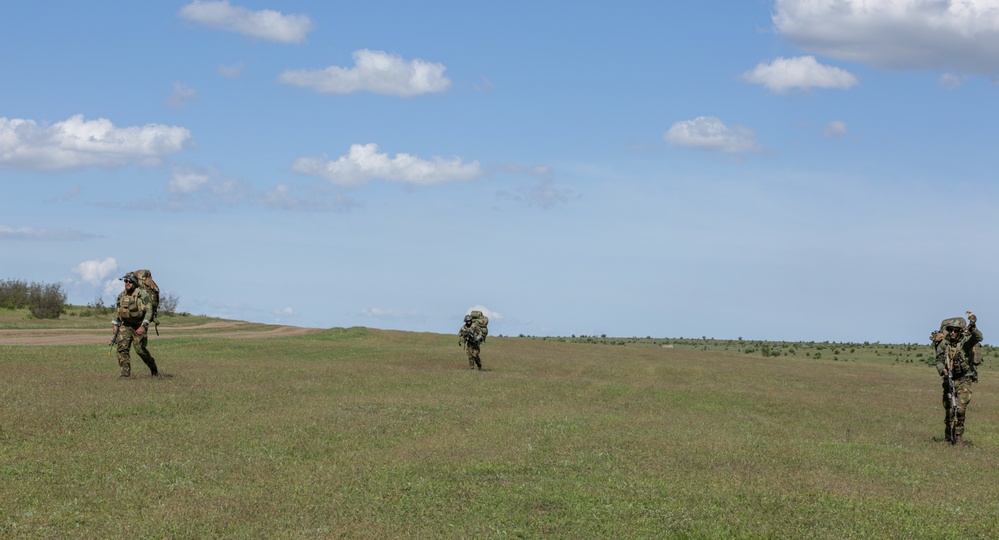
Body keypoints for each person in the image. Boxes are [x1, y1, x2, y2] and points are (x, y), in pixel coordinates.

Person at [933, 311, 983, 445]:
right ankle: (948, 437)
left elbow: (978, 337)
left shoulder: (966, 343)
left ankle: (959, 437)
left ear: (960, 331)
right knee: (949, 410)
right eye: (950, 330)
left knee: (960, 409)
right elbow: (938, 360)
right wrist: (942, 370)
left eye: (956, 330)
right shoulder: (944, 344)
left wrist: (973, 326)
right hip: (949, 378)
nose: (953, 333)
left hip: (964, 378)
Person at [112, 272, 159, 378]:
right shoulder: (121, 295)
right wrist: (114, 323)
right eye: (125, 281)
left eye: (129, 281)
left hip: (139, 325)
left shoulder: (142, 294)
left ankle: (153, 368)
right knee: (122, 349)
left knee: (140, 350)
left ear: (134, 283)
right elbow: (117, 310)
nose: (127, 283)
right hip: (126, 325)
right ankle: (125, 373)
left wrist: (144, 325)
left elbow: (149, 310)